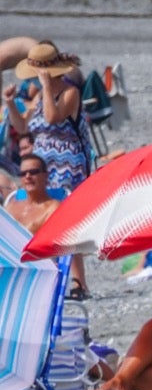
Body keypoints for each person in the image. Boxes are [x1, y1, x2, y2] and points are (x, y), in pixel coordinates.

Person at [3, 40, 93, 298]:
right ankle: (47, 273)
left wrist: (44, 87)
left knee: (65, 221)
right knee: (43, 217)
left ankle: (78, 281)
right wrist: (10, 103)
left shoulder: (70, 92)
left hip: (67, 166)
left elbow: (53, 117)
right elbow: (22, 127)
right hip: (43, 165)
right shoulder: (39, 96)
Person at [3, 153, 60, 234]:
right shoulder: (11, 206)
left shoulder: (53, 209)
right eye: (23, 174)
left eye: (33, 172)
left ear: (46, 175)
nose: (28, 176)